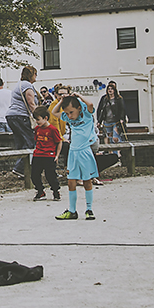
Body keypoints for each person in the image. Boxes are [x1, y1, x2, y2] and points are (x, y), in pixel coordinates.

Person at [50, 93, 98, 221]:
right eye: (67, 113)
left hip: (84, 151)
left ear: (78, 108)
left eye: (71, 112)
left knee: (87, 181)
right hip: (73, 152)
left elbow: (91, 104)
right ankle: (72, 211)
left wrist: (78, 95)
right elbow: (54, 112)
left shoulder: (86, 115)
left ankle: (89, 210)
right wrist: (62, 100)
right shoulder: (68, 118)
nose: (69, 115)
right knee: (71, 182)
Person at [6, 66, 40, 176]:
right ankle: (20, 168)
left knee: (21, 142)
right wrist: (39, 117)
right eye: (35, 74)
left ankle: (23, 168)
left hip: (12, 116)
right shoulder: (27, 85)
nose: (36, 76)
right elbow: (31, 104)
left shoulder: (19, 84)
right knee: (30, 141)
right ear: (31, 74)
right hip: (20, 116)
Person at [29, 105, 62, 202]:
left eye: (38, 119)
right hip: (38, 154)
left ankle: (56, 191)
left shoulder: (52, 129)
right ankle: (40, 191)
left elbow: (59, 141)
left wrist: (57, 155)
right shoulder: (37, 129)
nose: (37, 122)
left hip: (49, 155)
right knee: (34, 175)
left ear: (45, 118)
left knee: (50, 175)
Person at [95, 82, 127, 148]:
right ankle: (112, 154)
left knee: (115, 138)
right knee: (108, 139)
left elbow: (122, 109)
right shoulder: (104, 99)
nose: (110, 90)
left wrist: (121, 118)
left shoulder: (118, 99)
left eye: (112, 89)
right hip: (107, 121)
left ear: (114, 90)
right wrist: (99, 121)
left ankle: (118, 154)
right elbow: (101, 110)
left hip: (115, 121)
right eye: (109, 89)